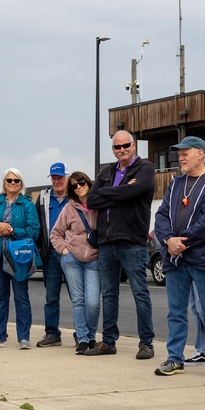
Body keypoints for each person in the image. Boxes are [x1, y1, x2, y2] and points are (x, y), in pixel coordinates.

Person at [153, 137, 205, 377]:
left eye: (186, 153)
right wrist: (168, 241)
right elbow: (161, 216)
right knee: (175, 311)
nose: (181, 157)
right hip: (174, 259)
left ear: (201, 154)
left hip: (202, 257)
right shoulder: (175, 184)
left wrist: (183, 241)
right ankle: (174, 358)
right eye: (179, 153)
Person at [85, 131, 156, 359]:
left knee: (140, 292)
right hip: (106, 241)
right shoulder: (106, 172)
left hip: (132, 240)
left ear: (133, 146)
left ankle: (146, 343)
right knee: (109, 294)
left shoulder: (145, 169)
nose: (122, 150)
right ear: (113, 149)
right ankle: (108, 341)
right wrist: (118, 193)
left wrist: (107, 193)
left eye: (126, 145)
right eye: (117, 147)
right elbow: (91, 200)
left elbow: (135, 191)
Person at [0, 168, 39, 350]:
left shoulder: (27, 205)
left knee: (21, 297)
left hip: (19, 257)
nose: (12, 183)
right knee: (0, 297)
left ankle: (24, 337)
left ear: (21, 184)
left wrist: (13, 231)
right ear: (4, 183)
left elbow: (34, 231)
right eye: (9, 180)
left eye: (16, 180)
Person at [50, 171, 100, 354]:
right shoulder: (69, 208)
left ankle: (92, 335)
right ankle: (83, 339)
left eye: (81, 183)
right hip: (72, 258)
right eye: (74, 186)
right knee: (78, 300)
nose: (79, 187)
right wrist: (64, 250)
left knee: (93, 302)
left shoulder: (99, 205)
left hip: (94, 258)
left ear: (88, 182)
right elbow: (55, 233)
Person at [35, 162, 71, 348]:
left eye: (60, 177)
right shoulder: (43, 198)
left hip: (73, 253)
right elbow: (36, 224)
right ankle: (52, 333)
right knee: (51, 297)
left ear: (67, 177)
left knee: (78, 296)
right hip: (51, 254)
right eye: (54, 177)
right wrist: (40, 249)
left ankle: (83, 333)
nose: (57, 181)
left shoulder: (75, 196)